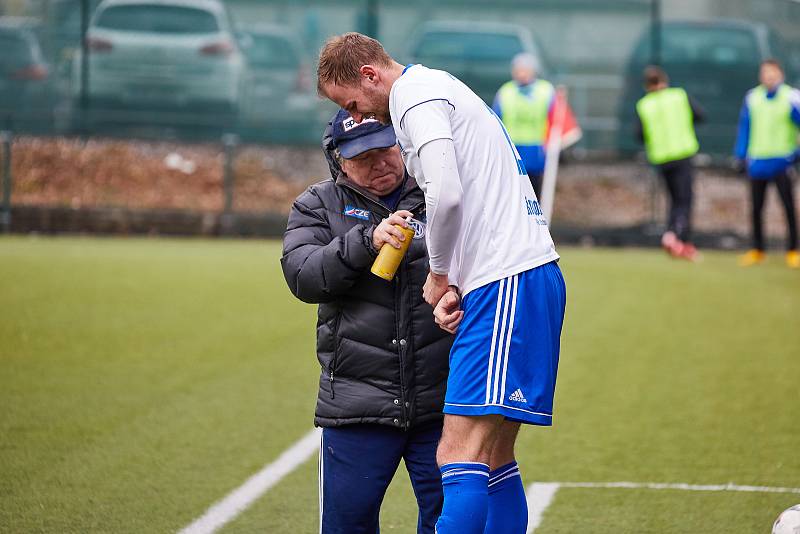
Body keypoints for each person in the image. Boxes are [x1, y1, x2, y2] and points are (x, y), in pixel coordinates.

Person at [317, 33, 567, 534]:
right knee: (493, 458)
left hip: (507, 281)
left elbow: (446, 195)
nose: (359, 115)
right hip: (522, 276)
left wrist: (438, 274)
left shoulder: (415, 96)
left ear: (370, 75)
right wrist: (458, 279)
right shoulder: (437, 87)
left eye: (353, 103)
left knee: (458, 453)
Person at [280, 108, 453, 533]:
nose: (379, 163)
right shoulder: (318, 203)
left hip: (443, 399)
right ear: (339, 160)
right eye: (362, 156)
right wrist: (365, 240)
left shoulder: (443, 194)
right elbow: (303, 276)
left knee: (452, 522)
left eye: (385, 149)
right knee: (346, 525)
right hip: (358, 403)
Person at [634, 65, 705, 261]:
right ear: (664, 80)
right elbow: (701, 115)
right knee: (685, 200)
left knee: (674, 199)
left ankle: (676, 237)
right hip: (682, 154)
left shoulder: (644, 105)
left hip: (661, 159)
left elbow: (639, 135)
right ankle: (676, 236)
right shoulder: (679, 96)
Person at [734, 58, 800, 269]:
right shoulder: (753, 97)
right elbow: (745, 127)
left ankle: (793, 250)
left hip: (782, 161)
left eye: (772, 73)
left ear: (780, 74)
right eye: (765, 73)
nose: (768, 77)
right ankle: (757, 249)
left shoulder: (790, 97)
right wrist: (740, 155)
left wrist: (796, 153)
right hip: (758, 161)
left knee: (788, 207)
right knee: (756, 208)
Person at [492, 52, 555, 199]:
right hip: (512, 149)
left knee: (534, 192)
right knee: (514, 192)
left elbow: (555, 118)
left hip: (536, 149)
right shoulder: (505, 91)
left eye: (525, 69)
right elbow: (495, 119)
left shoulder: (545, 91)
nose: (521, 73)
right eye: (518, 69)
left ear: (533, 70)